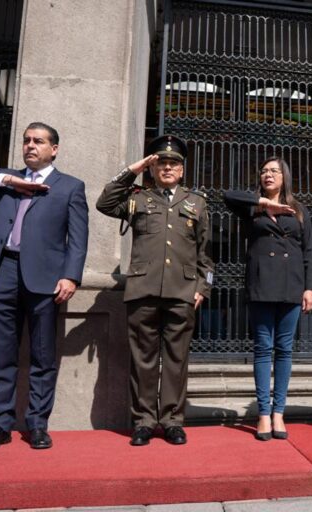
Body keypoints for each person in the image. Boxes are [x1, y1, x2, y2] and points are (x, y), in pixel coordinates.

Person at [0, 122, 89, 451]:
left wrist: (71, 276)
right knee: (2, 354)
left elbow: (78, 240)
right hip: (3, 272)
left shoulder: (70, 186)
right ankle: (0, 423)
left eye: (39, 141)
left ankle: (37, 424)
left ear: (53, 149)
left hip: (44, 279)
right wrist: (5, 179)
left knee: (43, 355)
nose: (31, 146)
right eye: (27, 140)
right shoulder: (5, 181)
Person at [96, 135, 214, 446]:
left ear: (182, 170)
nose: (167, 167)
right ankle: (144, 421)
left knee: (176, 360)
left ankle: (172, 420)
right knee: (143, 360)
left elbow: (206, 255)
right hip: (143, 289)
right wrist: (134, 168)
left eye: (173, 163)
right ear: (152, 167)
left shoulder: (196, 202)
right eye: (160, 162)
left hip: (183, 292)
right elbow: (104, 201)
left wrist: (203, 287)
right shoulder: (138, 198)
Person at [223, 157, 312, 441]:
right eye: (263, 170)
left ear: (285, 176)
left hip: (291, 286)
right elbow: (227, 196)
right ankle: (264, 413)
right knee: (263, 348)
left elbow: (310, 251)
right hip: (262, 284)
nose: (268, 174)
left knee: (284, 349)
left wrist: (310, 287)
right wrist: (265, 204)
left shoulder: (300, 210)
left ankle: (279, 412)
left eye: (274, 171)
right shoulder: (252, 207)